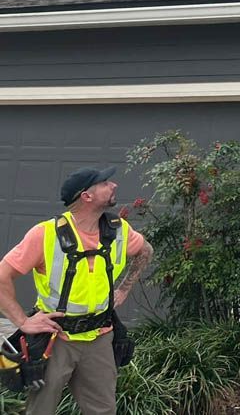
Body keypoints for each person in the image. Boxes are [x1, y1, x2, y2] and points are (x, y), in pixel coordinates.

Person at [0, 166, 153, 415]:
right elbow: (2, 276)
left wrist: (124, 289)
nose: (113, 185)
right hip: (55, 339)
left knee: (103, 410)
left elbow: (146, 251)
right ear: (86, 196)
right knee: (41, 410)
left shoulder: (118, 229)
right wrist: (23, 321)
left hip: (100, 337)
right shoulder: (45, 234)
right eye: (104, 183)